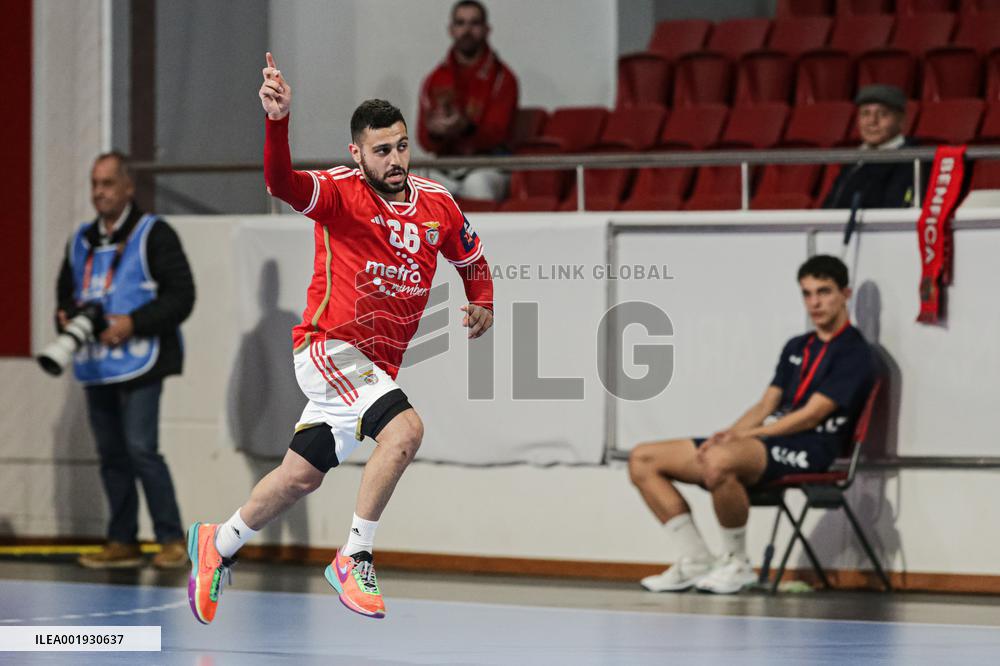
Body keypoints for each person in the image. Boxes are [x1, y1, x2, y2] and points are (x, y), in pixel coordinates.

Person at [186, 53, 495, 624]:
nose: (395, 159)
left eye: (401, 146)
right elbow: (281, 182)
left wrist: (483, 299)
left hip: (373, 369)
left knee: (300, 475)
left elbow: (470, 255)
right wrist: (277, 122)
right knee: (405, 432)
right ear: (358, 153)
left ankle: (218, 542)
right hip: (329, 348)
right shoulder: (340, 192)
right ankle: (354, 556)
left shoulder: (437, 203)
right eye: (382, 150)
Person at [628, 255, 875, 595]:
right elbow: (765, 404)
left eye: (824, 292)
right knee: (643, 459)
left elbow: (811, 415)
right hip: (767, 442)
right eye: (806, 294)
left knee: (720, 462)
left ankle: (738, 562)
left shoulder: (856, 353)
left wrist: (744, 438)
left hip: (811, 447)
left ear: (845, 294)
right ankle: (696, 558)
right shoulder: (797, 346)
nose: (814, 303)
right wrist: (728, 434)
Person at [56, 152, 195, 569]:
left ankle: (170, 538)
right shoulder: (80, 240)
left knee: (140, 448)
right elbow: (65, 295)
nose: (99, 192)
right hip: (97, 362)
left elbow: (181, 296)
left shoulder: (155, 233)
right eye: (94, 184)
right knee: (111, 452)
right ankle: (122, 540)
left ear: (128, 186)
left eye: (108, 184)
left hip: (141, 359)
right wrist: (63, 316)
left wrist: (133, 323)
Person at [417, 0, 518, 201]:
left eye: (474, 23)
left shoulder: (502, 78)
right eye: (461, 23)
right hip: (447, 166)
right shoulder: (435, 78)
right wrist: (436, 133)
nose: (467, 30)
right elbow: (424, 139)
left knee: (477, 186)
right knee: (412, 183)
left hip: (488, 166)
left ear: (487, 29)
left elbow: (496, 135)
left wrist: (464, 127)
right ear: (451, 30)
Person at [823, 84, 924, 209]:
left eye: (882, 114)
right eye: (865, 114)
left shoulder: (912, 161)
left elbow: (894, 212)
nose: (872, 122)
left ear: (901, 121)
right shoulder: (854, 162)